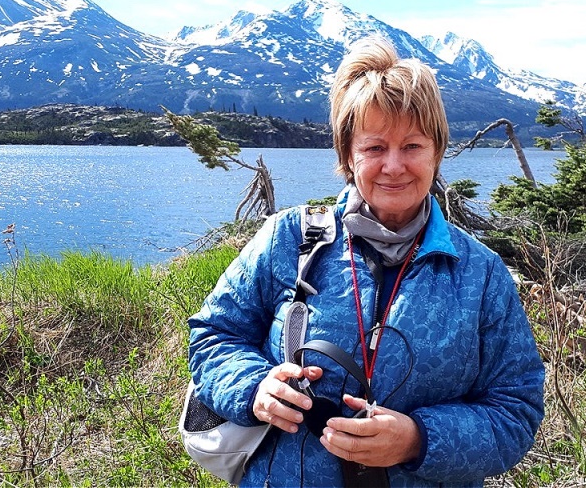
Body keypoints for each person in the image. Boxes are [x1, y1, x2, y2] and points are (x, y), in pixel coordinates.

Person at [188, 36, 545, 487]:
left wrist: (418, 440)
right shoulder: (288, 239)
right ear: (347, 156)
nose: (394, 166)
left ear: (436, 152)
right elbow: (212, 336)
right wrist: (255, 387)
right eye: (375, 148)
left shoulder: (480, 272)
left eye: (412, 146)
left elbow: (516, 409)